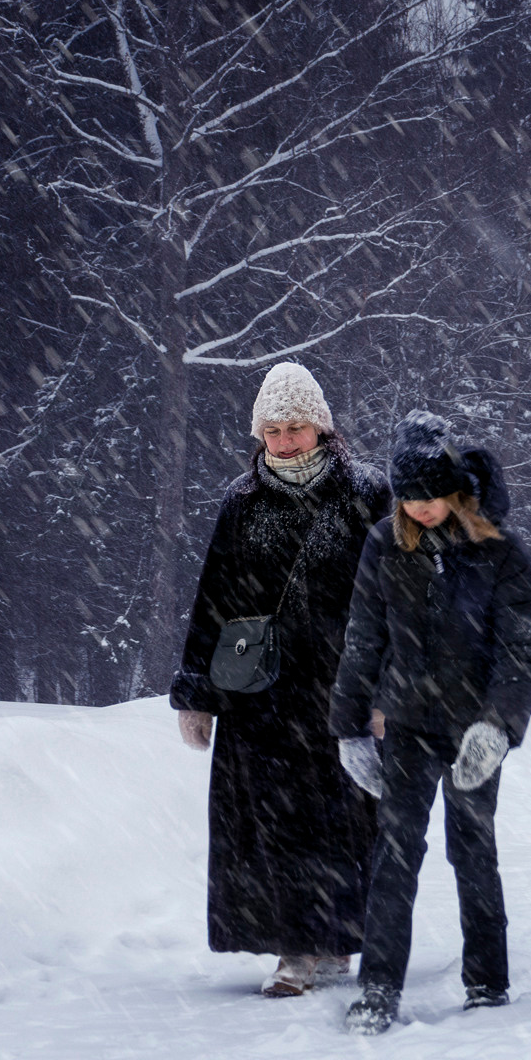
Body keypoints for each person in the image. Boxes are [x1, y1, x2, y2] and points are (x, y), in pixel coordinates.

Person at [172, 363, 393, 997]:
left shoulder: (368, 493)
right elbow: (213, 597)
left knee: (347, 820)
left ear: (320, 426)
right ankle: (294, 948)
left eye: (295, 427)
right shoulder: (241, 501)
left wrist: (390, 691)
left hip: (343, 688)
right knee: (276, 822)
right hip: (261, 695)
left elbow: (398, 598)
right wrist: (196, 696)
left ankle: (336, 938)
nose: (285, 441)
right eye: (272, 430)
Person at [329, 410, 531, 1034]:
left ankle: (487, 983)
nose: (420, 507)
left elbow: (522, 650)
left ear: (454, 488)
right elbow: (364, 637)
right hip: (407, 725)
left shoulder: (498, 552)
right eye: (409, 496)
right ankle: (378, 990)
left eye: (431, 494)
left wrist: (497, 726)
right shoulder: (384, 544)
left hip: (474, 728)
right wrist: (349, 727)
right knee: (394, 856)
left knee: (473, 851)